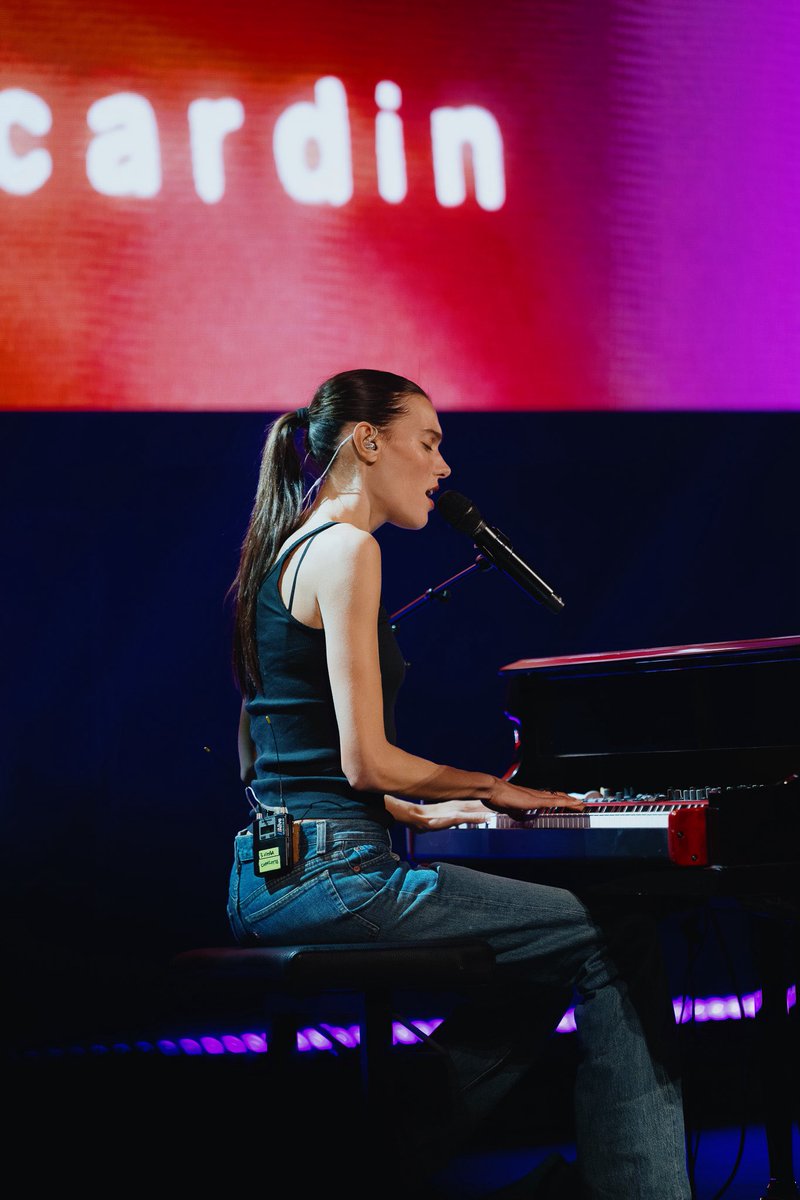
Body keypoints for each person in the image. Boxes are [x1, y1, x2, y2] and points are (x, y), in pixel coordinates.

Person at [226, 369, 691, 1200]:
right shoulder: (348, 548)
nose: (443, 469)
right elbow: (366, 757)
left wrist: (414, 807)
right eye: (430, 442)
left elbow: (274, 748)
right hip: (337, 876)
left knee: (548, 951)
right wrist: (500, 790)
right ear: (367, 442)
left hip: (268, 873)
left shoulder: (287, 546)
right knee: (611, 936)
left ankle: (375, 1160)